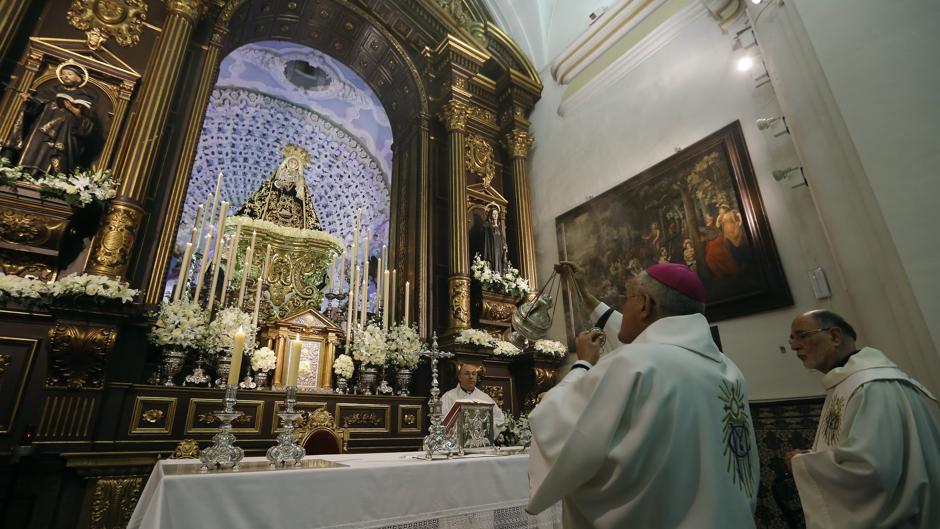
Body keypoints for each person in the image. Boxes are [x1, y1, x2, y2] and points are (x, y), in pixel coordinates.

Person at [527, 263, 759, 529]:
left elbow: (553, 424)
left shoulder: (632, 363)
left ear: (645, 304)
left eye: (627, 300)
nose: (622, 310)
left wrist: (583, 365)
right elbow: (641, 336)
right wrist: (586, 297)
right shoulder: (729, 369)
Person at [786, 310, 940, 529]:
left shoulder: (873, 387)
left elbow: (872, 469)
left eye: (802, 335)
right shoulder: (846, 383)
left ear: (835, 337)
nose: (794, 346)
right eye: (792, 338)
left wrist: (804, 465)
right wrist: (812, 457)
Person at [7, 60, 97, 176]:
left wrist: (75, 111)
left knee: (56, 156)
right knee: (34, 148)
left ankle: (52, 178)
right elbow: (34, 109)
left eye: (69, 74)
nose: (65, 76)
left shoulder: (85, 98)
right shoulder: (50, 91)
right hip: (41, 129)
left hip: (64, 135)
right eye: (63, 74)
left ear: (79, 79)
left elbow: (87, 126)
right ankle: (26, 172)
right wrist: (30, 101)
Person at [440, 361, 505, 432]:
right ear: (460, 377)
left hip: (480, 440)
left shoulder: (485, 398)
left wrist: (484, 429)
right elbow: (441, 420)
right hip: (456, 441)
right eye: (467, 373)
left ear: (476, 377)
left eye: (473, 374)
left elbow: (499, 419)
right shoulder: (448, 397)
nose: (471, 377)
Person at [481, 204, 508, 275]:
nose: (495, 216)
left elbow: (502, 237)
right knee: (494, 261)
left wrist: (504, 245)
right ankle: (494, 273)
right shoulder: (488, 226)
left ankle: (500, 274)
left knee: (500, 262)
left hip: (500, 249)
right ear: (490, 215)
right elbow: (487, 239)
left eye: (496, 214)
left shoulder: (499, 227)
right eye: (493, 214)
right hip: (492, 248)